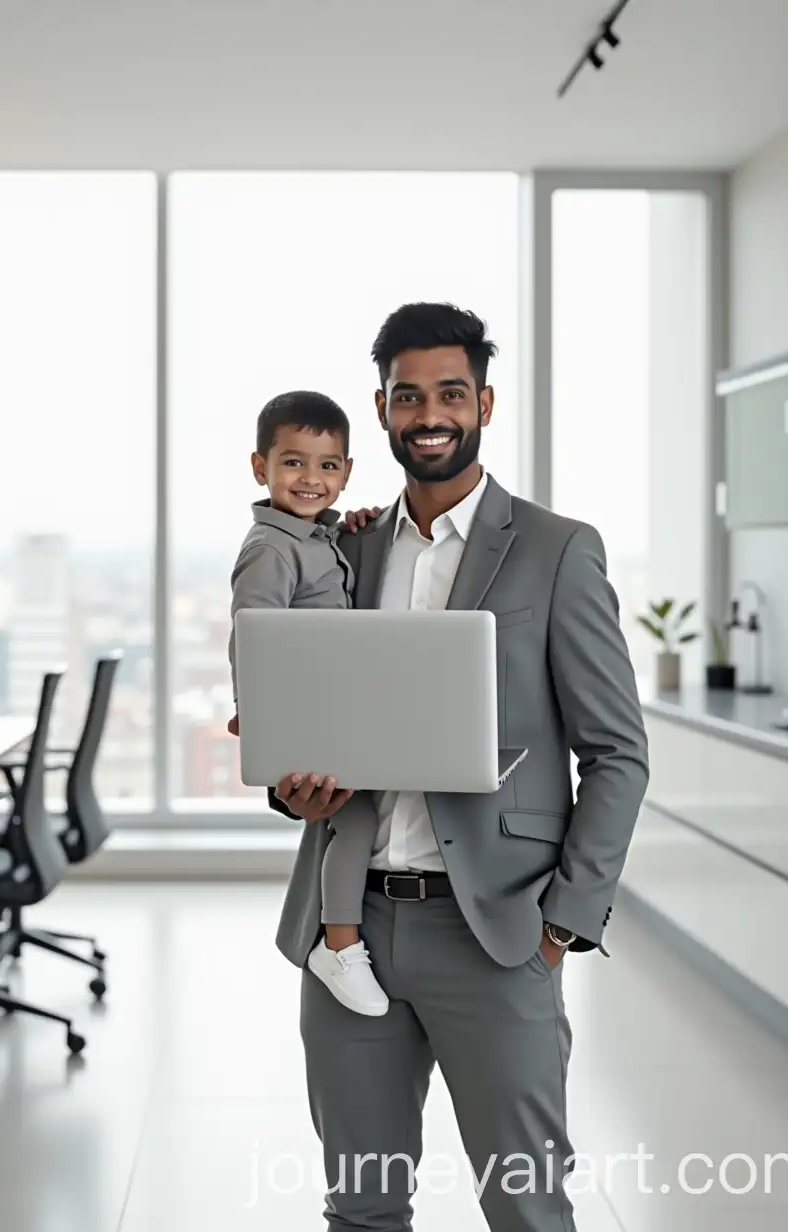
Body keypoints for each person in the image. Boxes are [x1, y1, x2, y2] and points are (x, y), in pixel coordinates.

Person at [269, 303, 650, 1231]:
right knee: (360, 1208)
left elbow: (616, 753)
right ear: (383, 410)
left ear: (483, 402)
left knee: (526, 1210)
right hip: (345, 928)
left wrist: (563, 924)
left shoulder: (559, 550)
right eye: (408, 397)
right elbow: (302, 709)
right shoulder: (342, 545)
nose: (428, 413)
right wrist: (292, 786)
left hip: (497, 933)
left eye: (449, 393)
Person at [228, 389, 388, 1016]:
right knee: (355, 816)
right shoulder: (271, 547)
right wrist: (263, 714)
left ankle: (338, 939)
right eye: (293, 463)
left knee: (357, 815)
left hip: (329, 701)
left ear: (346, 472)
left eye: (327, 466)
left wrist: (351, 529)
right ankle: (338, 944)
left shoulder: (314, 537)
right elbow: (254, 635)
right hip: (306, 707)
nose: (311, 479)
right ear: (260, 467)